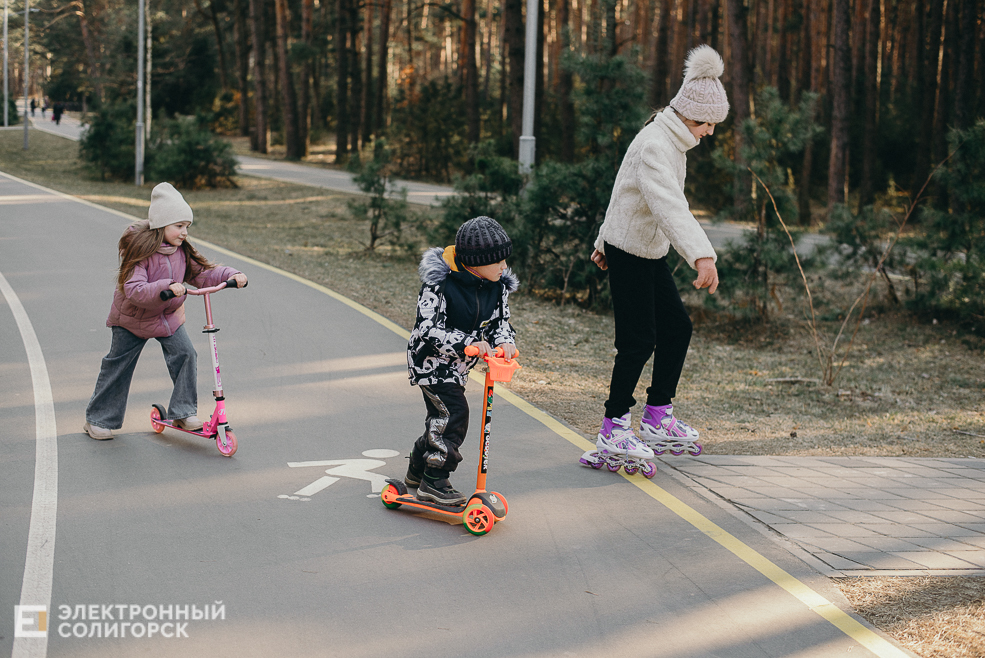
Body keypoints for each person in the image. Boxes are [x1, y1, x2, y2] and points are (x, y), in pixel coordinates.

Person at [587, 45, 726, 461]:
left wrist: (599, 240)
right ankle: (614, 427)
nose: (710, 132)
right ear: (689, 115)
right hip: (630, 250)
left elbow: (623, 190)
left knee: (677, 327)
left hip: (646, 250)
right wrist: (702, 255)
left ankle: (658, 415)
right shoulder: (656, 144)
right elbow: (668, 204)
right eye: (707, 123)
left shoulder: (670, 140)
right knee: (638, 340)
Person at [83, 182, 248, 440]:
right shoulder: (140, 251)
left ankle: (183, 412)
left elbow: (203, 273)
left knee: (186, 354)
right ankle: (99, 420)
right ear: (162, 224)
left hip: (167, 318)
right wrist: (166, 287)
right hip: (132, 320)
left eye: (187, 227)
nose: (184, 233)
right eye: (179, 226)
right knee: (118, 366)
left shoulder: (181, 251)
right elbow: (134, 288)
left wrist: (231, 275)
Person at [404, 216, 518, 505]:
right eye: (498, 261)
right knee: (454, 414)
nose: (504, 266)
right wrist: (469, 343)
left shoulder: (496, 285)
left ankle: (418, 470)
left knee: (441, 418)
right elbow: (427, 330)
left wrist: (504, 340)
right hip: (430, 362)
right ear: (474, 263)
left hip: (459, 365)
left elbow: (499, 323)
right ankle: (434, 480)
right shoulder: (439, 284)